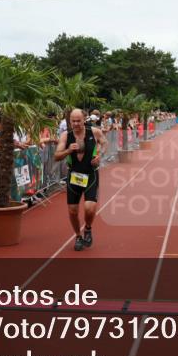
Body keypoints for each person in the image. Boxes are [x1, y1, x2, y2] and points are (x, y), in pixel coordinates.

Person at [54, 108, 106, 251]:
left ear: (84, 119)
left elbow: (104, 142)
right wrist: (68, 150)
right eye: (73, 121)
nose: (76, 124)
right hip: (74, 176)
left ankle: (88, 229)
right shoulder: (66, 136)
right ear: (69, 121)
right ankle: (78, 236)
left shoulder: (94, 132)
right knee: (73, 211)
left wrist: (99, 155)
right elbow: (56, 156)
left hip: (90, 175)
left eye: (78, 121)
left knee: (89, 208)